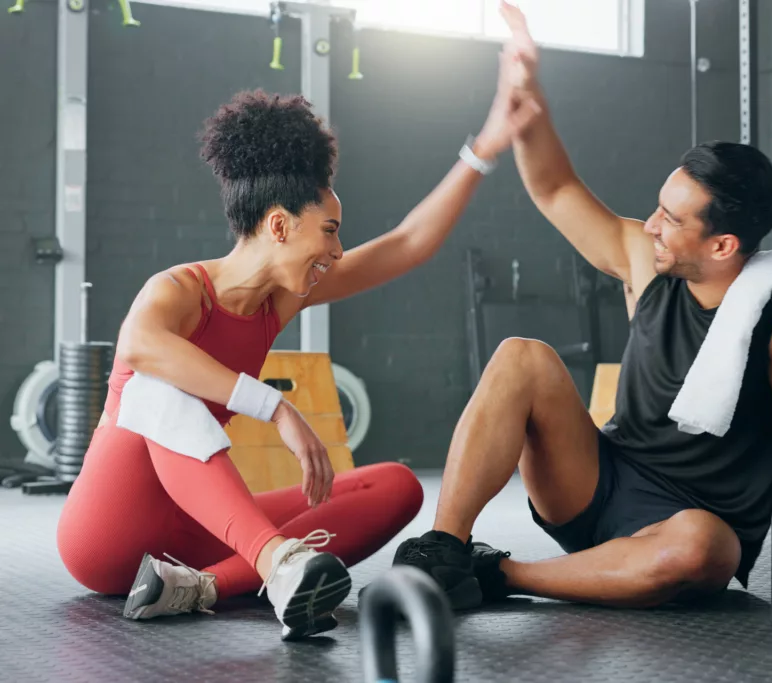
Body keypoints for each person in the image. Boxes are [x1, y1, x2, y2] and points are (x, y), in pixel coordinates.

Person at [390, 1, 772, 611]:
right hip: (597, 479)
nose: (654, 223)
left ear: (723, 244)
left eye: (673, 217)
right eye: (659, 205)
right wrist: (525, 92)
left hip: (694, 523)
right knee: (521, 357)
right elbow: (557, 189)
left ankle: (496, 577)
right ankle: (444, 552)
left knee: (703, 551)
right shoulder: (647, 258)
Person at [56, 76, 541, 640]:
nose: (336, 251)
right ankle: (274, 564)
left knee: (394, 486)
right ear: (280, 225)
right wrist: (278, 409)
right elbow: (142, 348)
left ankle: (201, 586)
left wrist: (483, 148)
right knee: (159, 383)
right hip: (106, 533)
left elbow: (407, 244)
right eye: (330, 232)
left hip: (191, 537)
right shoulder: (178, 290)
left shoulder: (276, 301)